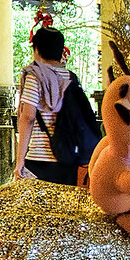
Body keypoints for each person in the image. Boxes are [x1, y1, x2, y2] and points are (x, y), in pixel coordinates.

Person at [14, 25, 78, 185]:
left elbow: (28, 117)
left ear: (37, 51)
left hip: (38, 160)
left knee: (37, 209)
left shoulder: (35, 77)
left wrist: (19, 160)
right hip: (67, 159)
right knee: (64, 208)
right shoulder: (72, 78)